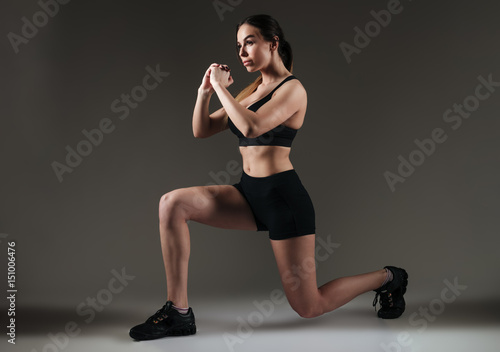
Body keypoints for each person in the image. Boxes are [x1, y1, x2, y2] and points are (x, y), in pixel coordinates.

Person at [129, 14, 408, 341]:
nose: (242, 52)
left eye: (249, 41)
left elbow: (250, 127)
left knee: (309, 306)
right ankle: (178, 313)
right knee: (172, 204)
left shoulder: (293, 90)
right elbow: (201, 129)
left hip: (283, 199)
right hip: (248, 193)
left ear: (273, 43)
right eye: (238, 45)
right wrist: (205, 91)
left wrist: (221, 87)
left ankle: (388, 277)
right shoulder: (253, 90)